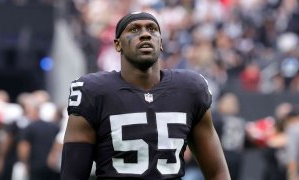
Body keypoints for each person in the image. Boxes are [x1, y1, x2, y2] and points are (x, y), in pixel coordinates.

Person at [61, 11, 230, 180]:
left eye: (152, 29)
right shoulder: (93, 92)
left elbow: (218, 173)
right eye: (134, 30)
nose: (145, 35)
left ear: (161, 43)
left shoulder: (190, 88)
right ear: (118, 45)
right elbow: (72, 176)